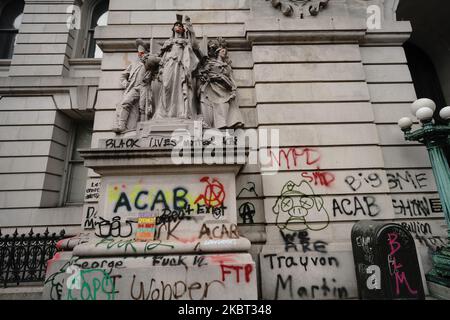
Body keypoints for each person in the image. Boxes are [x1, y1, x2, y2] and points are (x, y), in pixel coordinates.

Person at [152, 15, 200, 121]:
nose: (178, 26)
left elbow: (195, 46)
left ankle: (181, 112)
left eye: (180, 25)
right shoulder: (168, 42)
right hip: (168, 64)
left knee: (180, 88)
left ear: (183, 29)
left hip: (180, 66)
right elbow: (161, 56)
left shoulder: (186, 41)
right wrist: (160, 67)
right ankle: (164, 113)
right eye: (176, 25)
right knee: (166, 86)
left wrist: (189, 26)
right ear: (173, 29)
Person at [112, 39, 160, 133]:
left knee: (143, 107)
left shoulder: (149, 63)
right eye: (139, 53)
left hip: (144, 87)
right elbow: (123, 75)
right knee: (125, 103)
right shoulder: (133, 64)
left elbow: (157, 63)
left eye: (142, 53)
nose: (140, 55)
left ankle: (143, 127)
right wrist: (125, 83)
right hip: (134, 88)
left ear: (145, 53)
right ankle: (122, 126)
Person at [197, 38, 244, 129]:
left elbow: (231, 78)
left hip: (224, 89)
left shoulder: (227, 66)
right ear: (218, 52)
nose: (224, 53)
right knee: (213, 107)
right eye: (222, 51)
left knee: (224, 108)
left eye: (225, 51)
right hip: (212, 88)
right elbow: (204, 73)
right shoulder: (210, 63)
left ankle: (224, 125)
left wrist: (233, 89)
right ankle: (213, 125)